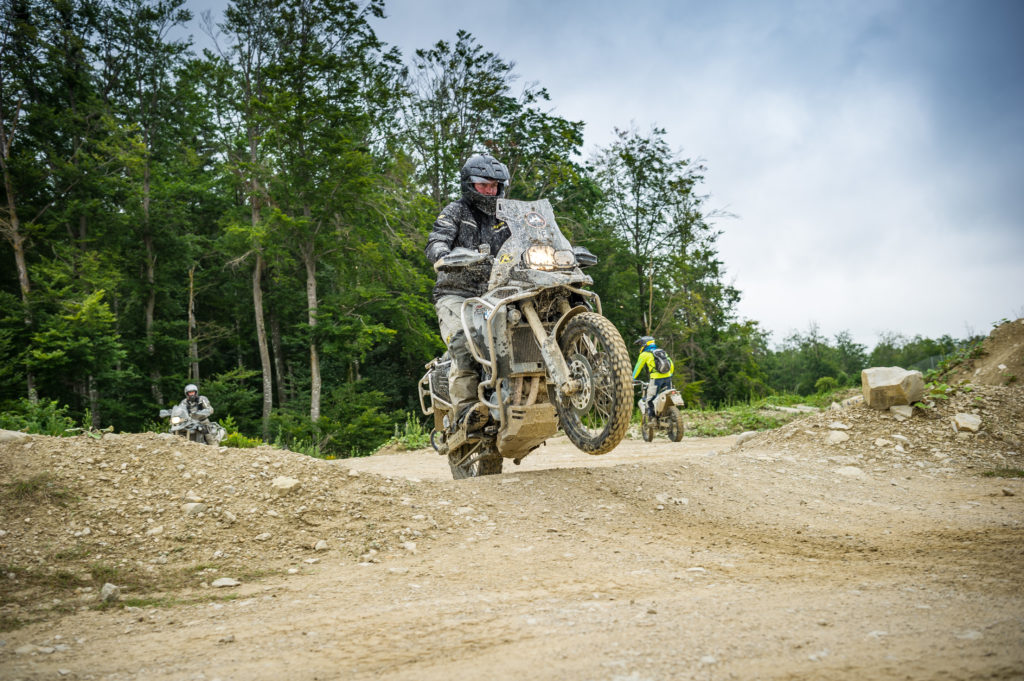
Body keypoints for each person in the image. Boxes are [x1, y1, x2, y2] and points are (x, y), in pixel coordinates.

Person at [425, 154, 512, 432]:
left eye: (495, 186)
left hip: (496, 292)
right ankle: (465, 413)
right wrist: (442, 254)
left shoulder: (507, 214)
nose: (490, 191)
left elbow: (533, 236)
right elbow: (438, 238)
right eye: (484, 185)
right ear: (470, 184)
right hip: (457, 292)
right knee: (464, 342)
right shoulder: (456, 211)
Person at [632, 336, 674, 418]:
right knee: (667, 398)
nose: (641, 346)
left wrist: (632, 378)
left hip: (656, 380)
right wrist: (670, 374)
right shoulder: (662, 352)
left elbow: (638, 367)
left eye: (641, 344)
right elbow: (671, 364)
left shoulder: (644, 354)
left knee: (649, 400)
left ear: (645, 344)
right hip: (668, 378)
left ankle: (652, 420)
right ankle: (668, 416)